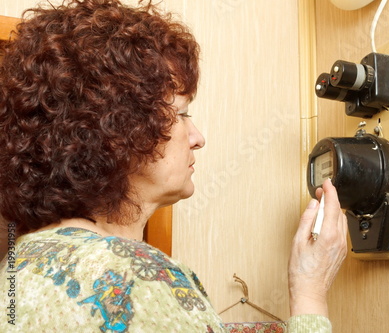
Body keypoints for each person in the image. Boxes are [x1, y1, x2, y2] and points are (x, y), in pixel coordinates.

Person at [0, 0, 347, 332]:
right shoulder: (135, 276)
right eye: (181, 114)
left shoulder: (20, 266)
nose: (197, 137)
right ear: (117, 132)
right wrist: (309, 292)